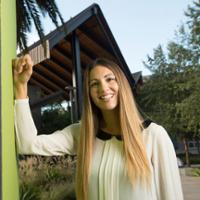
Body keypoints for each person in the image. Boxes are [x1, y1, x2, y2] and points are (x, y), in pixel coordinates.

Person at [13, 55, 184, 200]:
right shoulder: (81, 134)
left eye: (109, 79)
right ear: (89, 93)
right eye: (94, 84)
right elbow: (27, 143)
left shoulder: (154, 136)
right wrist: (21, 87)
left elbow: (171, 195)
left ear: (121, 84)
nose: (103, 88)